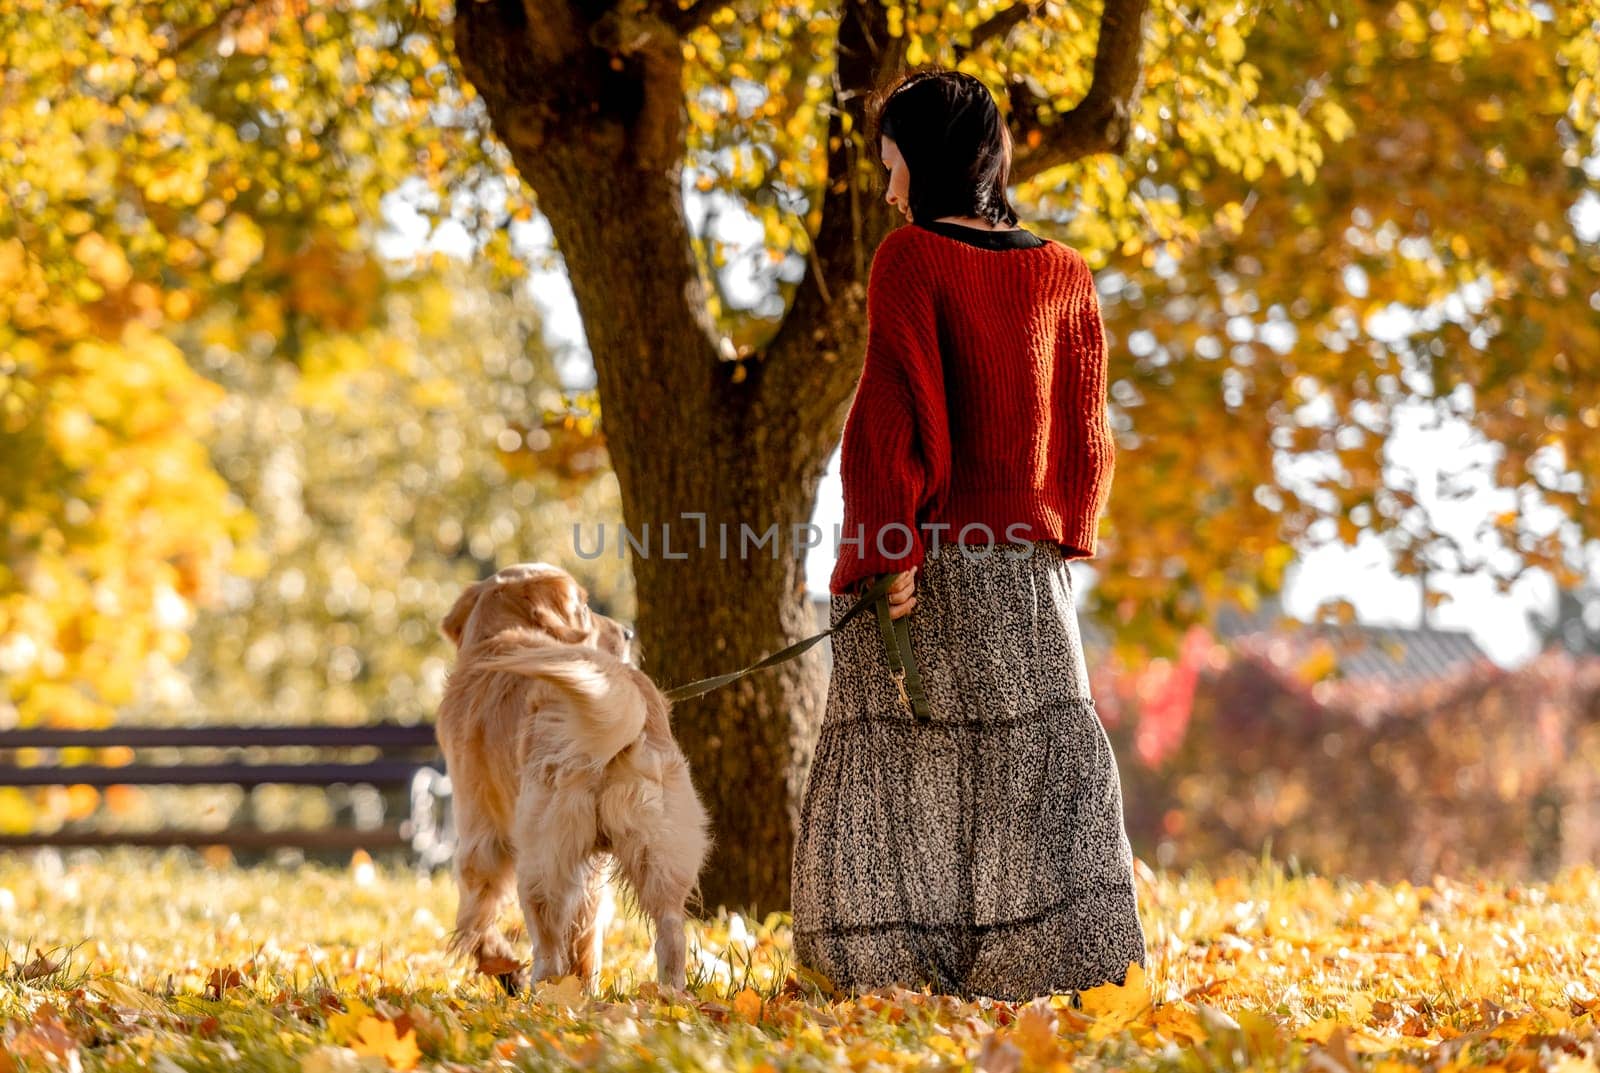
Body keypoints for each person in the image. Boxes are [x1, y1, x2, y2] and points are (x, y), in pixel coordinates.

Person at [789, 67, 1148, 1002]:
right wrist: (1059, 536)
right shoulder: (1066, 272)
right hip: (1030, 575)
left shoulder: (908, 259)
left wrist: (886, 546)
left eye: (891, 157)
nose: (887, 182)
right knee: (1038, 767)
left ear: (923, 155)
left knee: (908, 765)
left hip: (934, 559)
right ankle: (1059, 968)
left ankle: (892, 974)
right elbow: (1086, 428)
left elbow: (889, 418)